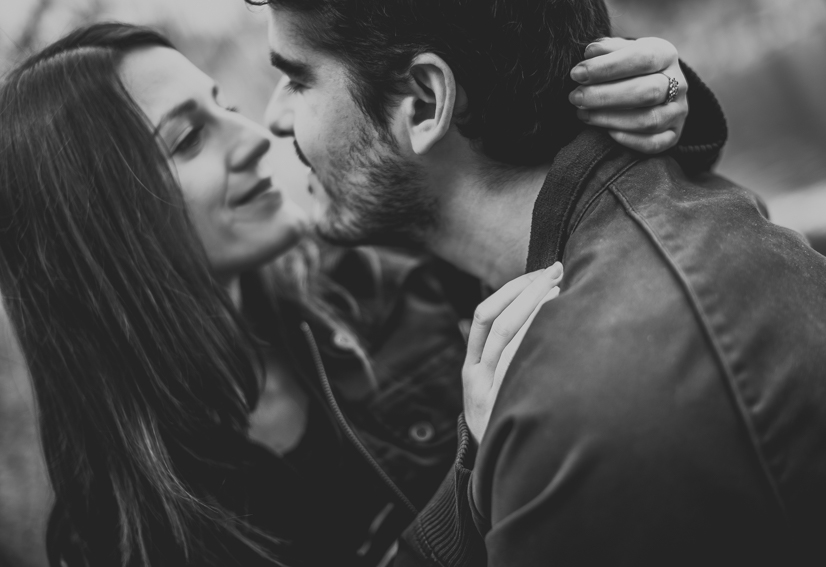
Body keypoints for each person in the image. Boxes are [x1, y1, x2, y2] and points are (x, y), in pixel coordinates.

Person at [0, 21, 723, 567]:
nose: (255, 134)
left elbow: (563, 224)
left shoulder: (381, 280)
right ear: (95, 227)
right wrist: (473, 473)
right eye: (189, 139)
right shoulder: (117, 538)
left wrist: (650, 100)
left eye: (221, 106)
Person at [255, 1, 826, 565]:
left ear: (423, 103)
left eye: (300, 80)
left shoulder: (578, 420)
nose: (272, 118)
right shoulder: (689, 226)